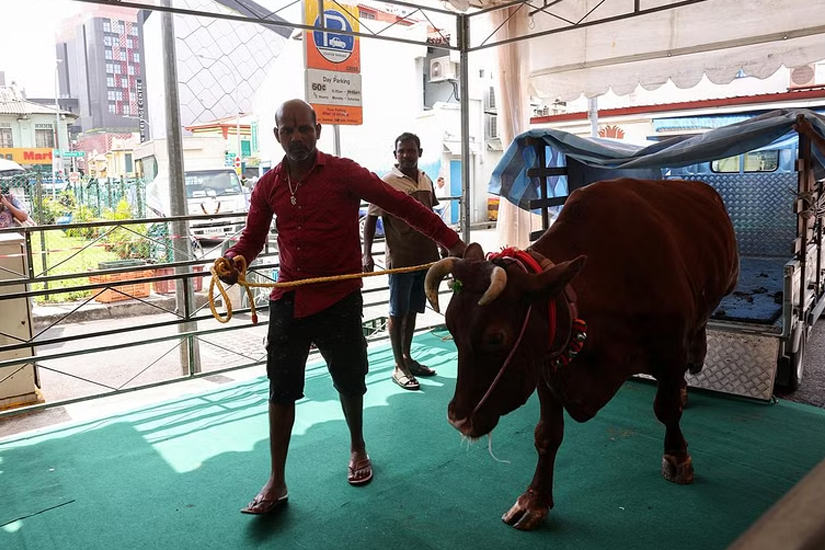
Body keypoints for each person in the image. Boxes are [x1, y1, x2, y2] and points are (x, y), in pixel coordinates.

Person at [218, 99, 466, 515]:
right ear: (277, 135)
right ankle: (276, 480)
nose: (297, 137)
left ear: (316, 129)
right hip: (289, 298)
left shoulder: (344, 172)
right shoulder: (267, 186)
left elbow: (402, 205)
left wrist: (455, 243)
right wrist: (235, 260)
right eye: (288, 130)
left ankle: (358, 448)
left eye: (304, 128)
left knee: (350, 382)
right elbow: (252, 239)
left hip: (339, 297)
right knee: (281, 389)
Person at [362, 133, 444, 391]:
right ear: (395, 154)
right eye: (402, 151)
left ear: (420, 151)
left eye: (411, 150)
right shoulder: (386, 183)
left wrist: (443, 247)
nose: (406, 155)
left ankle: (407, 357)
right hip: (400, 260)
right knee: (397, 313)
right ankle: (398, 365)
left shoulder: (426, 180)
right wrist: (366, 254)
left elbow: (432, 218)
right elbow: (370, 220)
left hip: (425, 259)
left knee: (412, 311)